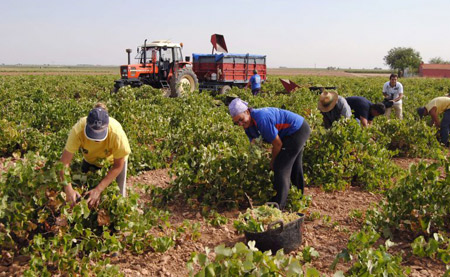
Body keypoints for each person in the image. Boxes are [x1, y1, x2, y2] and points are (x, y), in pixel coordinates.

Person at [228, 98, 310, 209]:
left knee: (280, 167)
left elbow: (277, 145)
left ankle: (278, 206)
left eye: (241, 119)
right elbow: (254, 143)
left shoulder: (262, 119)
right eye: (237, 122)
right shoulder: (247, 126)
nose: (240, 123)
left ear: (247, 112)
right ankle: (298, 199)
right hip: (288, 133)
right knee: (294, 164)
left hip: (297, 130)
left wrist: (272, 161)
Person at [60, 103, 131, 208]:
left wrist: (99, 189)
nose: (96, 140)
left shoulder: (117, 134)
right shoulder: (78, 130)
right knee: (82, 192)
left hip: (113, 163)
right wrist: (68, 189)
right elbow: (64, 163)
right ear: (87, 125)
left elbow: (118, 166)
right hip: (90, 159)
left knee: (119, 197)